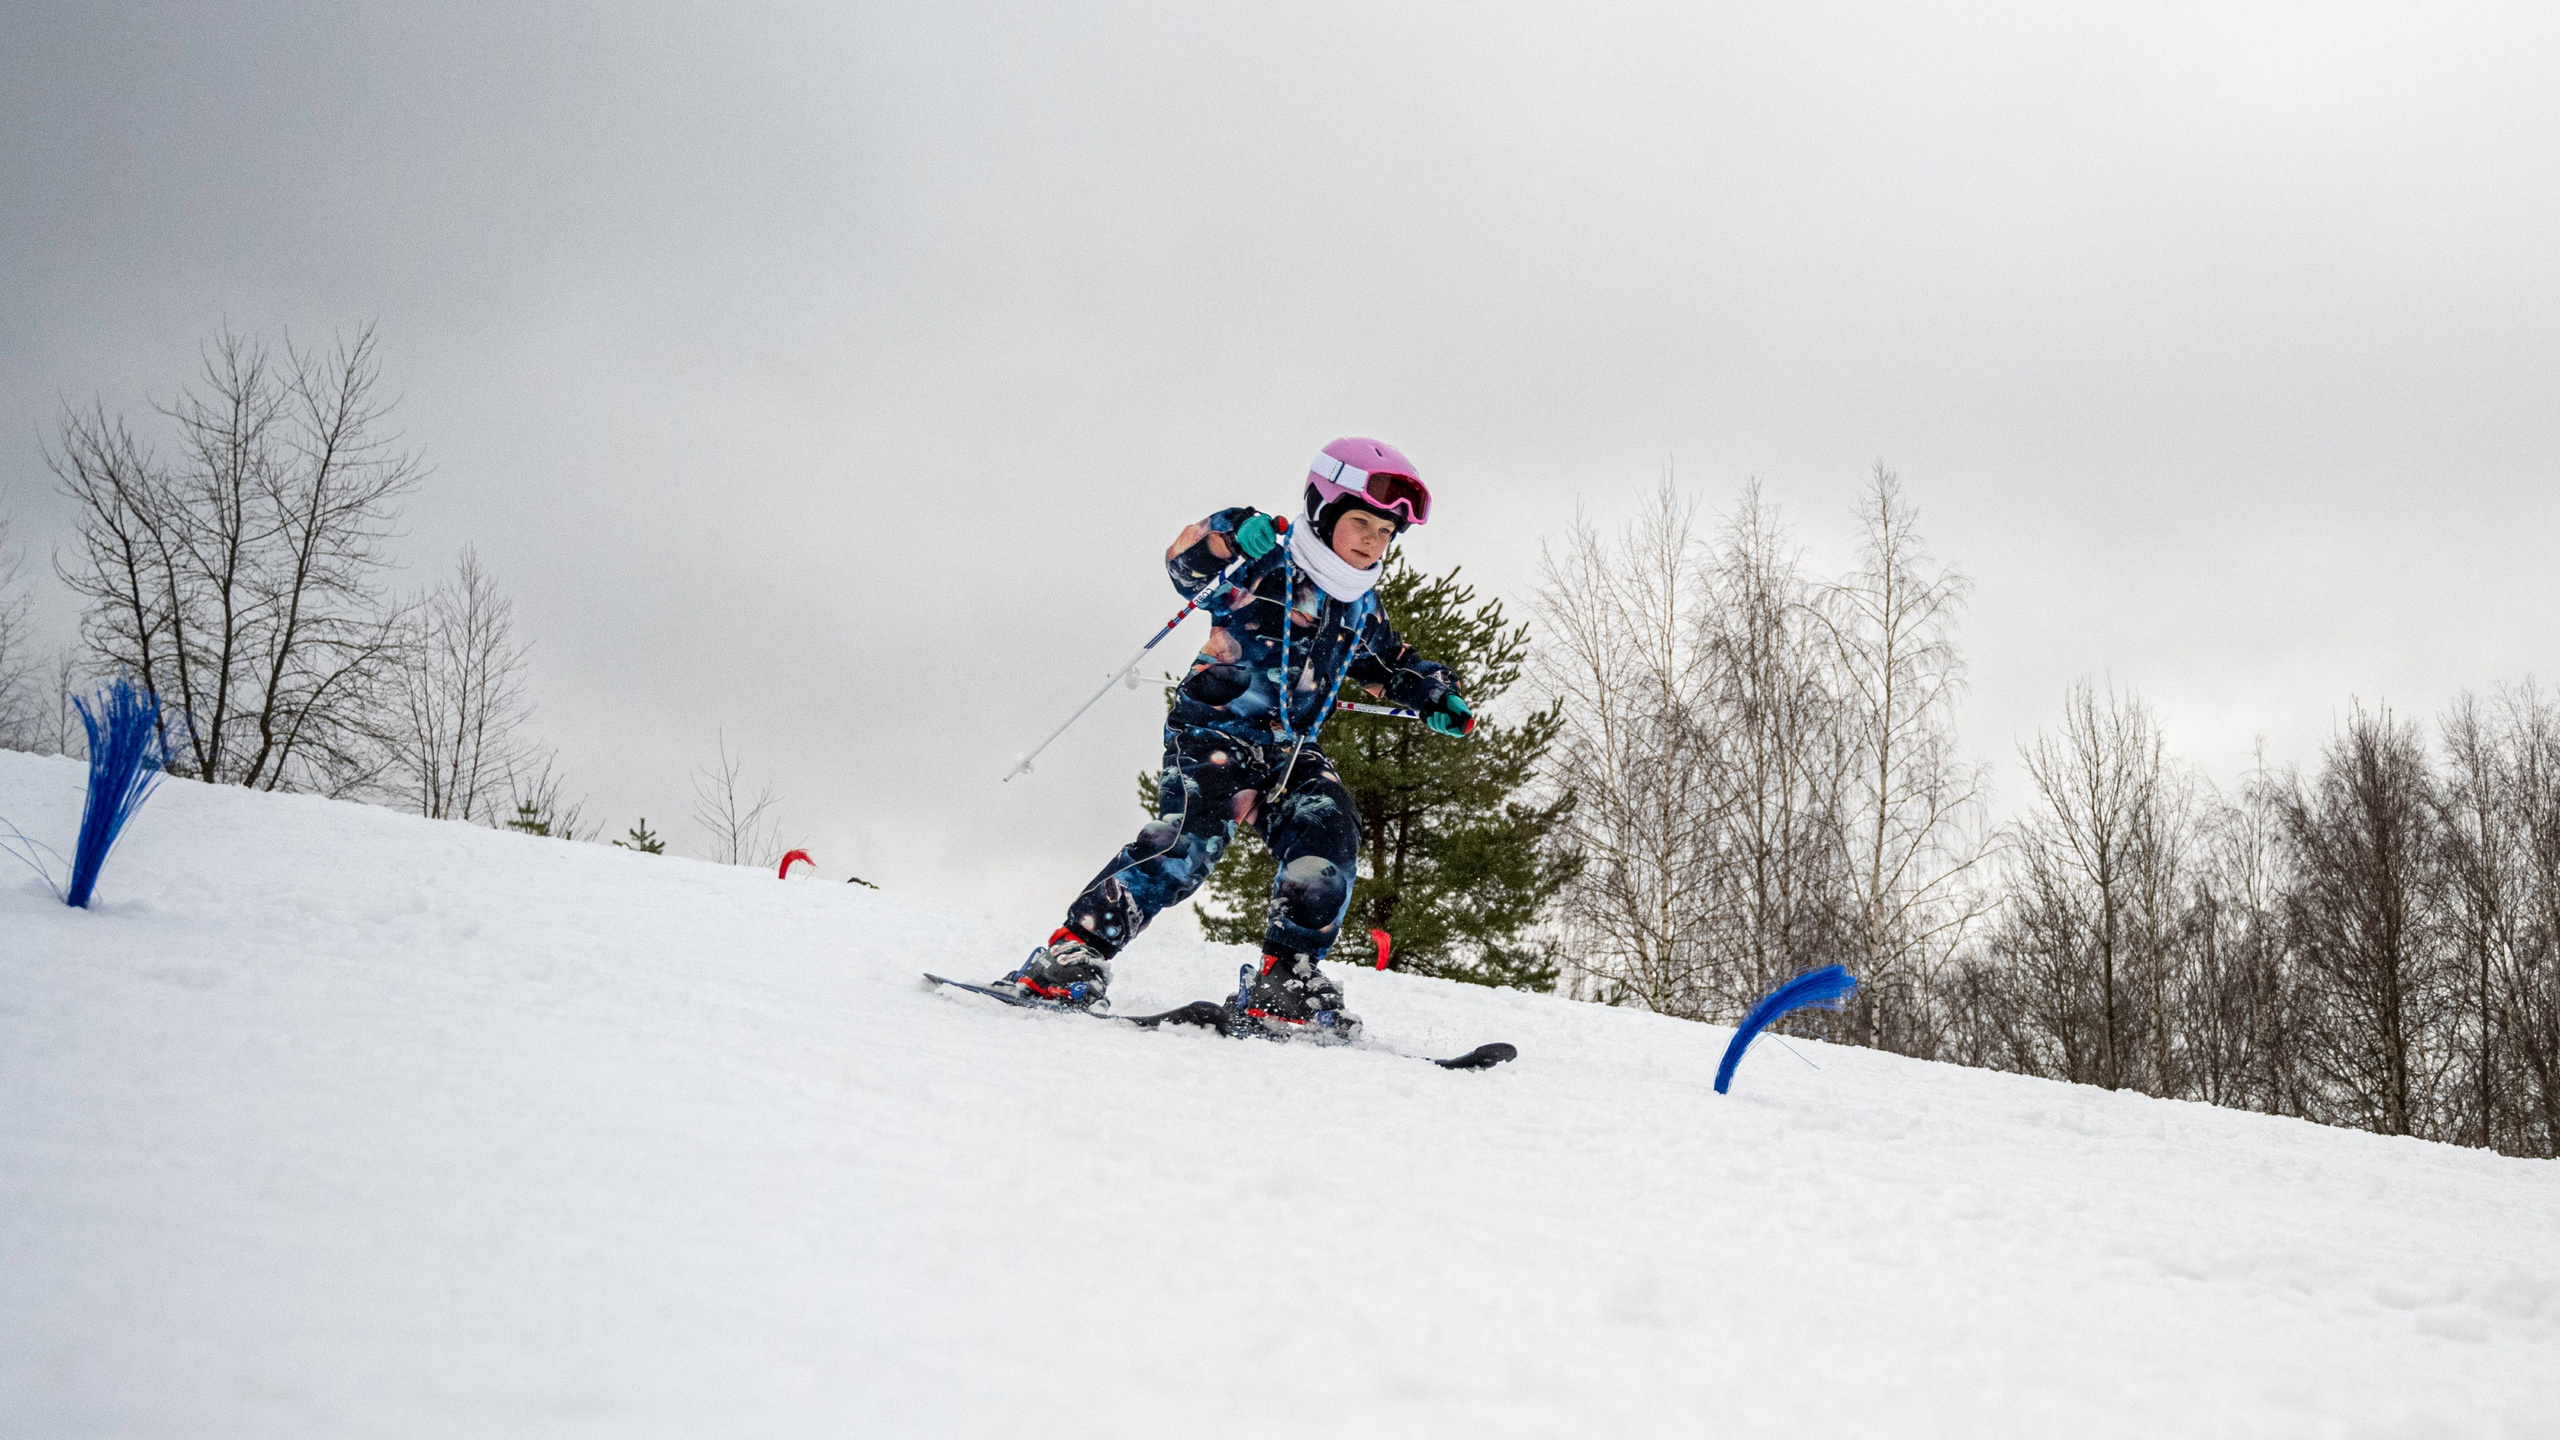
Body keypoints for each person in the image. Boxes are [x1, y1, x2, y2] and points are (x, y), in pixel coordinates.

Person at [993, 438, 1475, 1038]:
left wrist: (1434, 693)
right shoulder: (1266, 561)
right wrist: (1230, 535)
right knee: (1189, 842)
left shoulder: (1361, 606)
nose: (1372, 542)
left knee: (1329, 826)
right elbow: (1185, 566)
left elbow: (1390, 664)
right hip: (1214, 728)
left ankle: (1286, 978)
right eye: (1361, 523)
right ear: (1323, 509)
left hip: (1290, 749)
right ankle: (1072, 953)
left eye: (1385, 533)